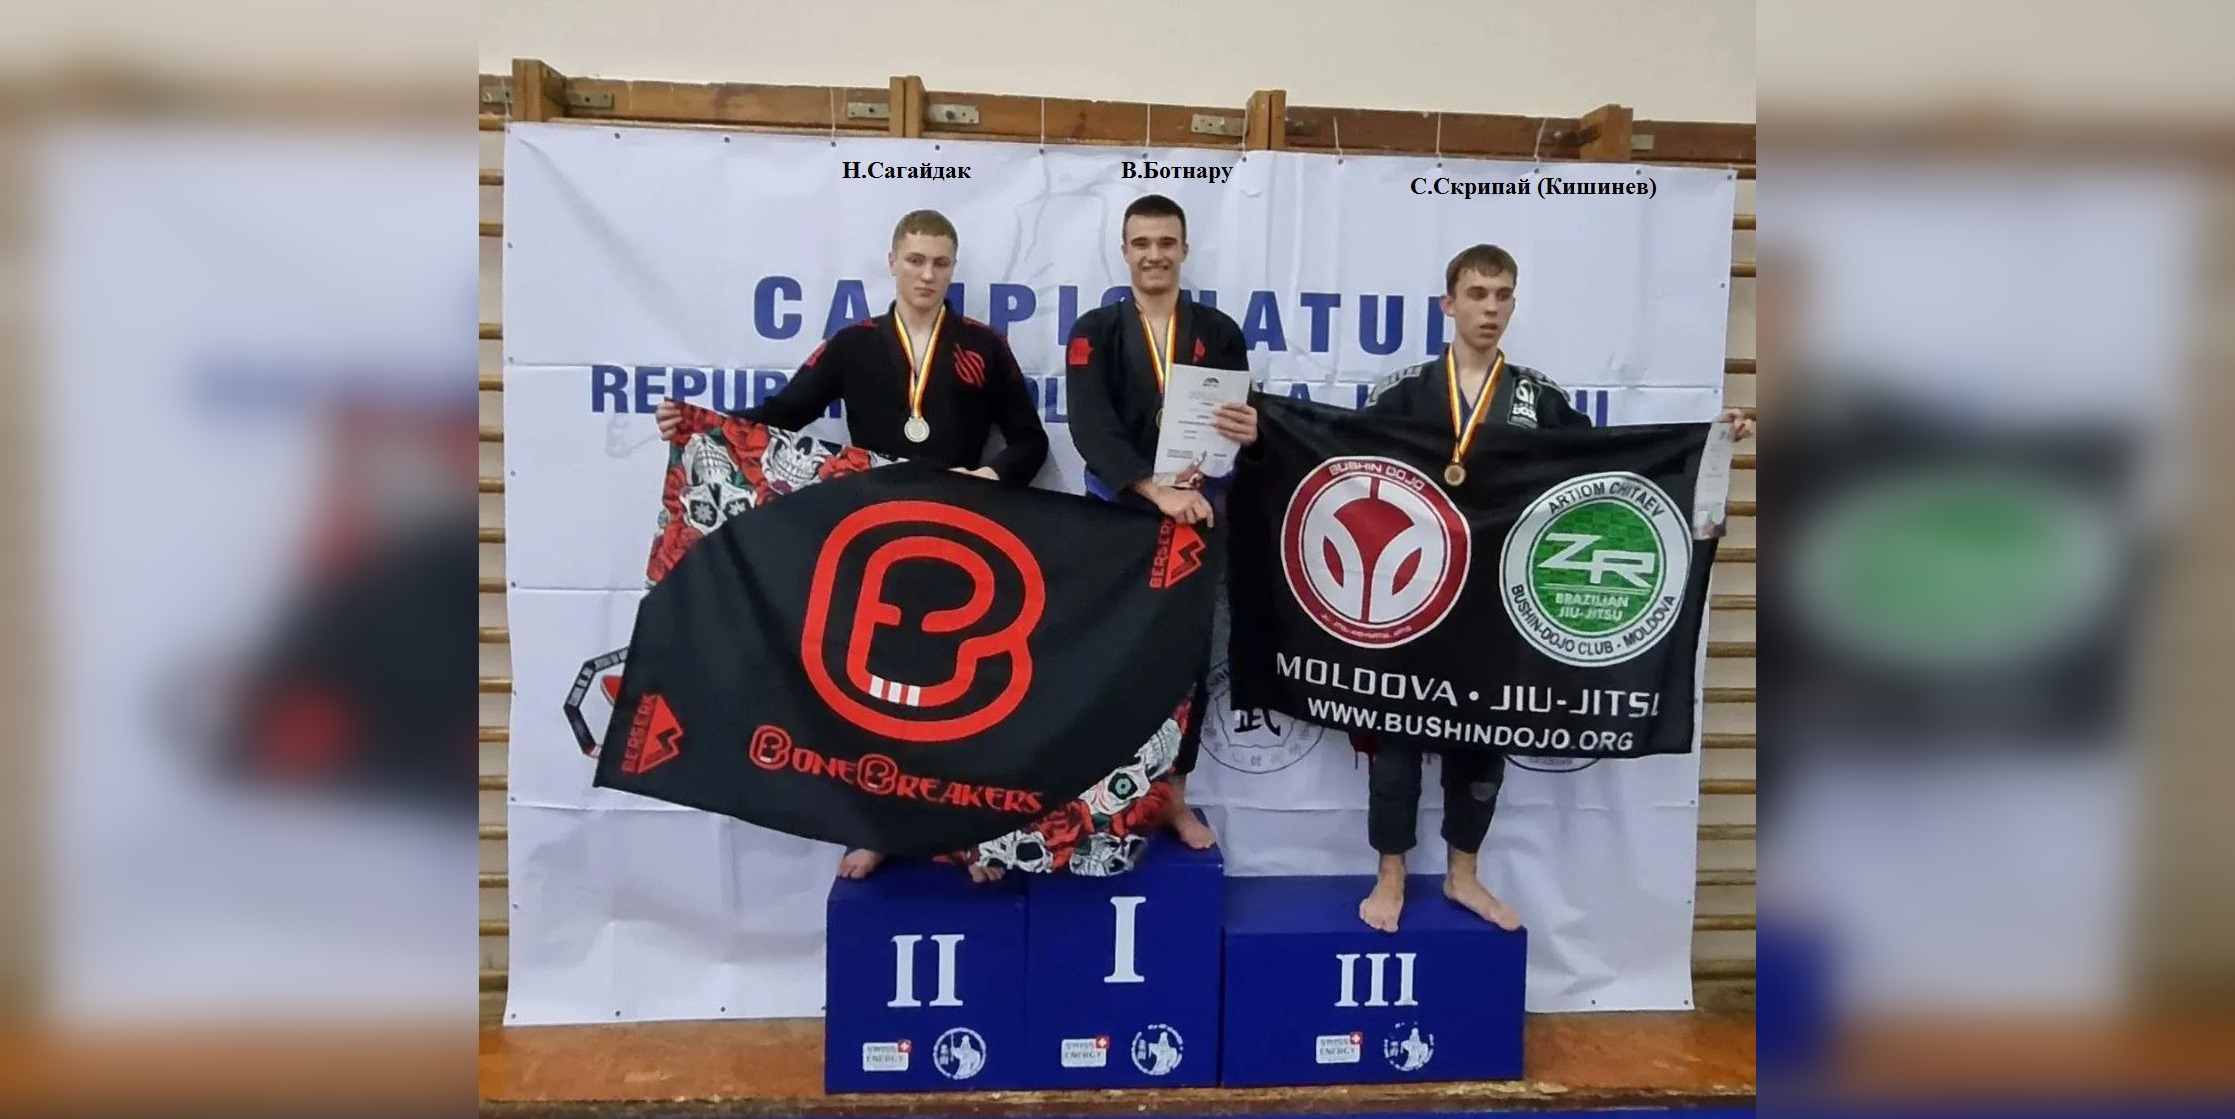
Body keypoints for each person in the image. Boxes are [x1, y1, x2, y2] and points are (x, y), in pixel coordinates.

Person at [1351, 243, 1755, 933]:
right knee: (1397, 743)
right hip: (1412, 596)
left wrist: (1705, 445)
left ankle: (1462, 873)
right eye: (1476, 294)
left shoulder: (1537, 397)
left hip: (1498, 603)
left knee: (1481, 741)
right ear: (1448, 304)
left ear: (1513, 304)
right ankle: (1390, 874)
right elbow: (1341, 462)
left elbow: (1608, 467)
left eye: (1502, 295)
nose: (1489, 308)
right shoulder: (1402, 392)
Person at [656, 209, 1050, 882]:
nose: (927, 274)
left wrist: (988, 477)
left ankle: (967, 834)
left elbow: (1030, 440)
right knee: (876, 689)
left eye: (940, 263)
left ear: (953, 269)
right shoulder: (854, 344)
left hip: (963, 537)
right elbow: (783, 415)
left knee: (962, 694)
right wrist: (699, 425)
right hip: (876, 540)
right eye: (915, 259)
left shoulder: (983, 347)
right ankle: (875, 829)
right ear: (892, 261)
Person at [1063, 193, 1258, 850]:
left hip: (1194, 518)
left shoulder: (1219, 331)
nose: (1154, 255)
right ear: (1124, 251)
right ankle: (1099, 793)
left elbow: (1233, 427)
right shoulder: (1094, 331)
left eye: (1166, 242)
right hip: (1116, 521)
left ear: (1184, 249)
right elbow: (1090, 427)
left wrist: (1247, 432)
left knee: (1186, 662)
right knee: (1111, 657)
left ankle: (1173, 794)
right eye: (1141, 243)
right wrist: (1153, 489)